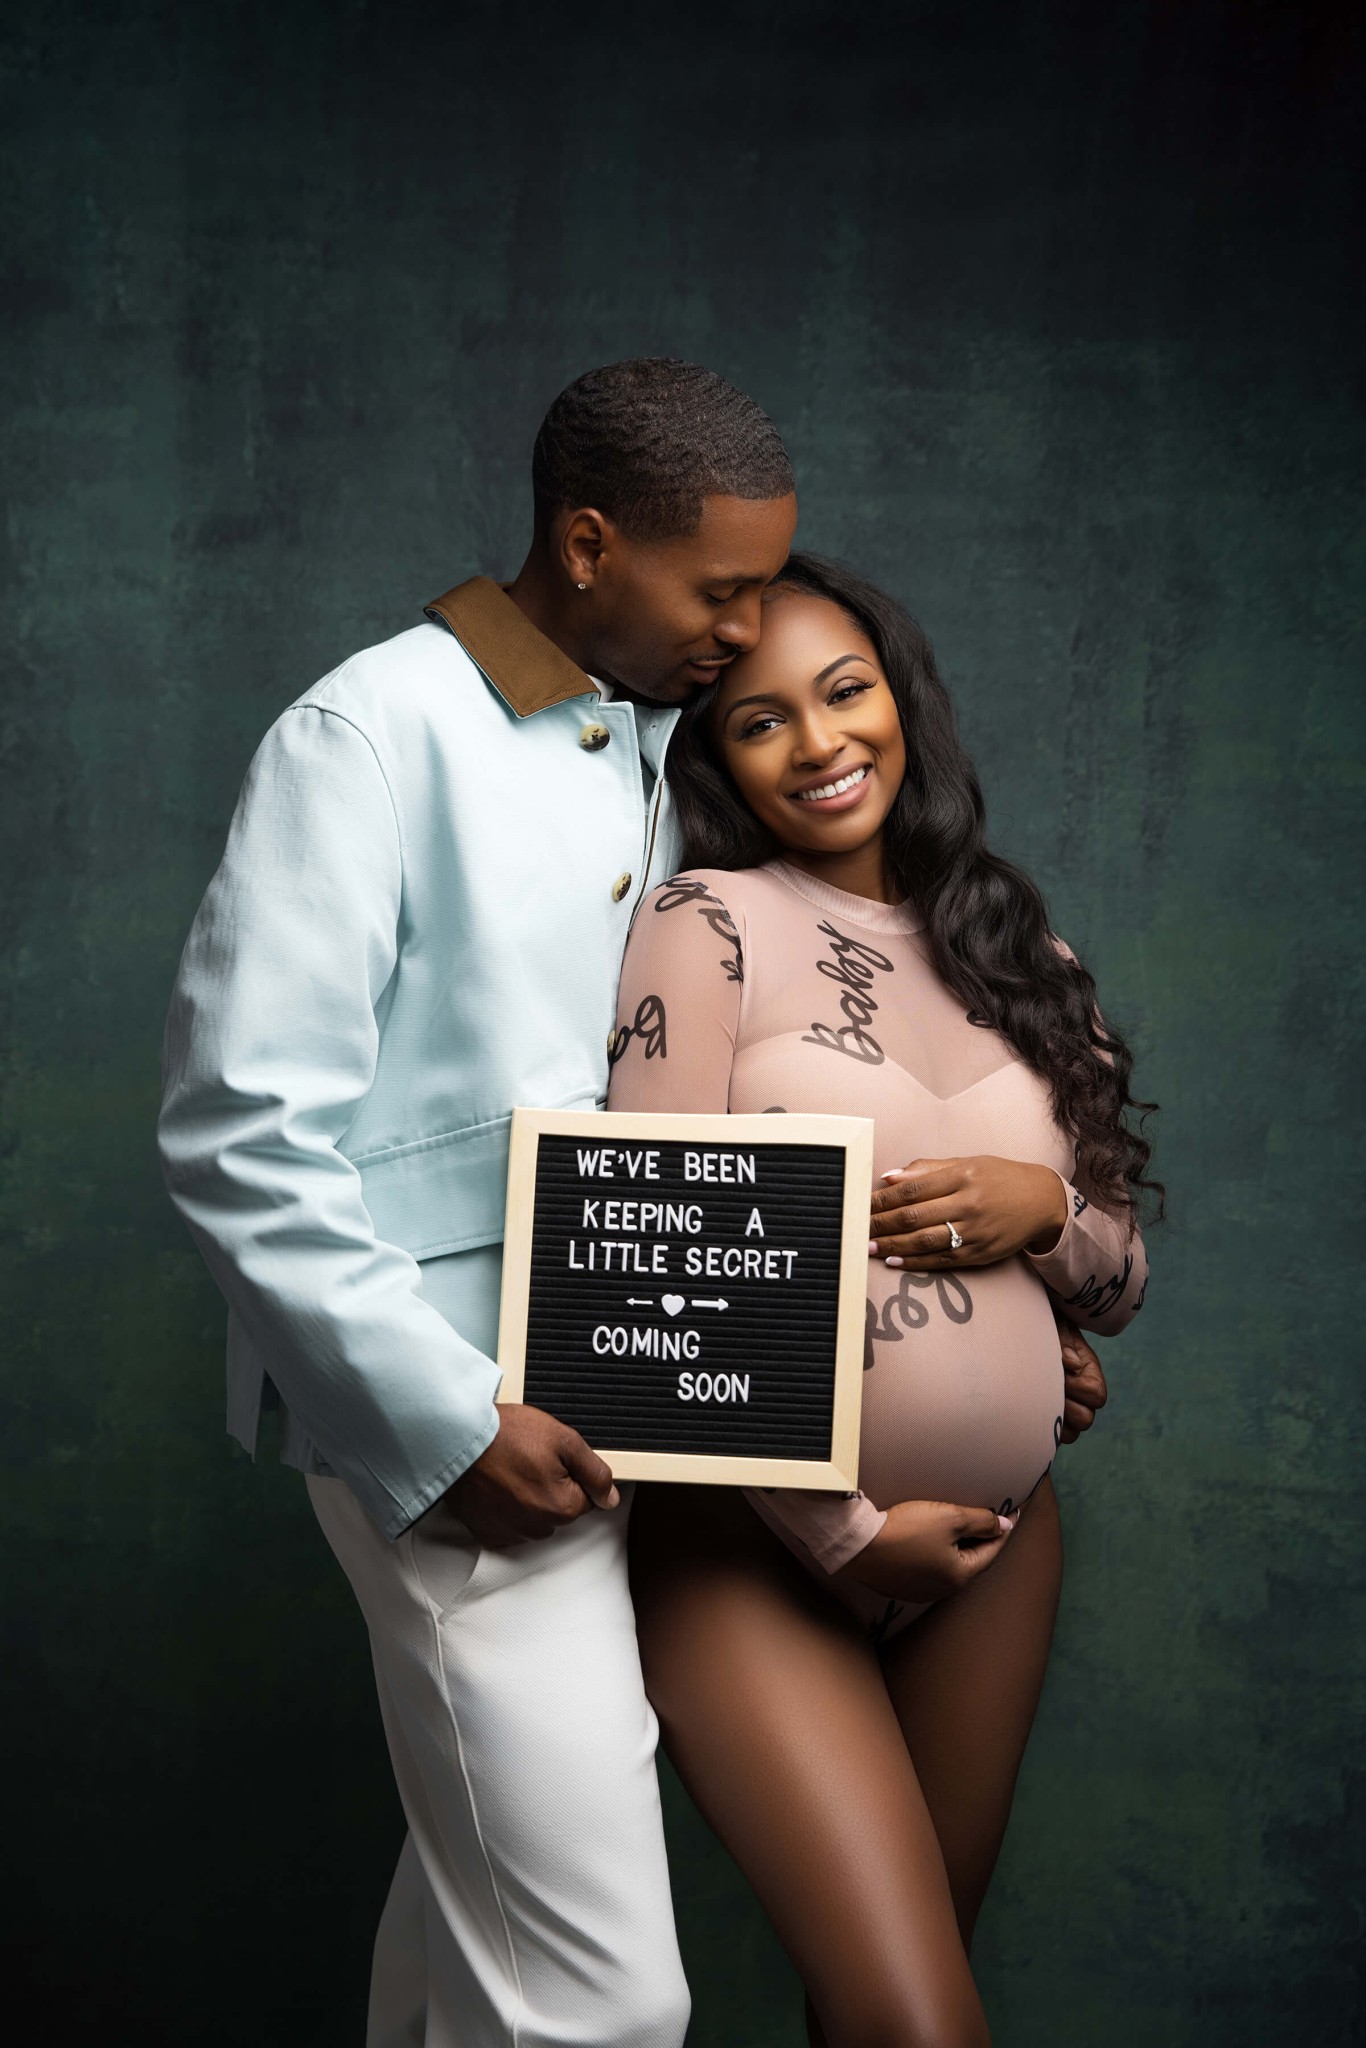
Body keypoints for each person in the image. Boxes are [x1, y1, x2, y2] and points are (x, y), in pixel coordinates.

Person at [156, 358, 800, 2048]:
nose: (751, 625)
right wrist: (444, 1425)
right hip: (461, 1437)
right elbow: (237, 1123)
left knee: (471, 1943)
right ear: (587, 543)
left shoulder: (674, 750)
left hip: (619, 1411)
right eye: (718, 588)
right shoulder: (369, 729)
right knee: (604, 2002)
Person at [606, 552, 1159, 2048]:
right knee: (917, 2021)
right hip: (751, 1552)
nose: (820, 742)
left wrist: (1043, 1215)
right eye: (758, 720)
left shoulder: (1015, 947)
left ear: (899, 699)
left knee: (897, 2016)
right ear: (713, 757)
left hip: (996, 1547)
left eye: (844, 692)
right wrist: (851, 1531)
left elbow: (1115, 1280)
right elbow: (657, 1288)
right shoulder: (704, 922)